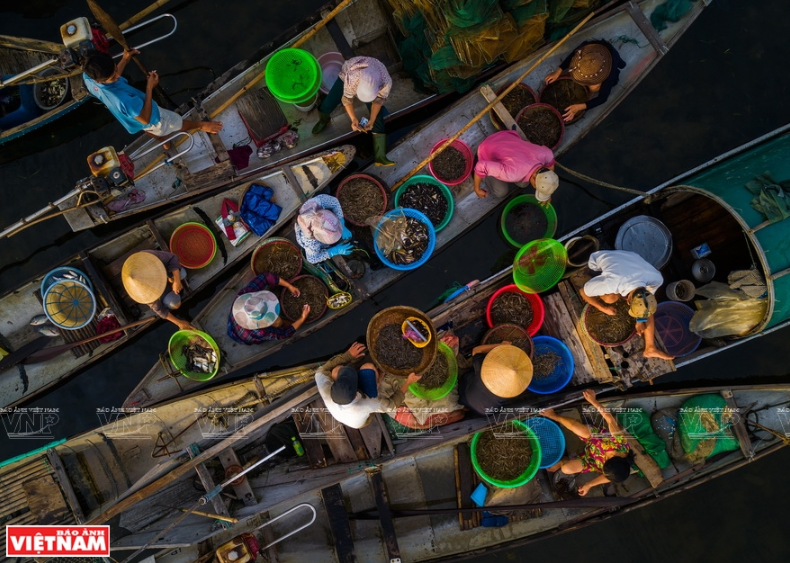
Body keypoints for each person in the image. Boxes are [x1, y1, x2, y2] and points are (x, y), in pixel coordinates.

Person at [83, 50, 223, 140]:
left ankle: (163, 141)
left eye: (115, 69)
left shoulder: (88, 77)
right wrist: (149, 87)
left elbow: (112, 75)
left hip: (132, 122)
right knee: (176, 122)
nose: (118, 75)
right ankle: (200, 125)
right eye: (113, 77)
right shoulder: (122, 99)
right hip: (154, 119)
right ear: (98, 80)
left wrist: (125, 59)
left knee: (147, 129)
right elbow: (144, 118)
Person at [579, 249, 674, 360]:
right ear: (628, 301)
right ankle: (601, 281)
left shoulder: (657, 279)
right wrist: (604, 309)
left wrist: (640, 320)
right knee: (611, 298)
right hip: (598, 261)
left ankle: (650, 348)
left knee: (646, 307)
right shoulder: (611, 284)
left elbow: (645, 301)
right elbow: (582, 292)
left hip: (630, 257)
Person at [543, 389, 635, 496]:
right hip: (595, 438)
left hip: (590, 460)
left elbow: (607, 477)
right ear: (616, 456)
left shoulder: (615, 472)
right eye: (608, 458)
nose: (605, 458)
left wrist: (589, 485)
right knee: (576, 428)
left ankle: (564, 461)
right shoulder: (620, 442)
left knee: (566, 469)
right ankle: (554, 416)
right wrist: (593, 401)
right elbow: (609, 419)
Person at [315, 342, 422, 429]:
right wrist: (408, 381)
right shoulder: (368, 403)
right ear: (356, 395)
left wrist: (348, 356)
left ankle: (369, 379)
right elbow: (391, 405)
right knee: (368, 367)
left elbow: (322, 370)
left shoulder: (325, 390)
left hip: (348, 402)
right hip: (361, 419)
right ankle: (377, 383)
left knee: (335, 371)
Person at [311, 56, 395, 166]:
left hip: (374, 76)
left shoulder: (386, 83)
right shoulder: (352, 76)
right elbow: (347, 99)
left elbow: (378, 102)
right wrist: (353, 119)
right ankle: (324, 120)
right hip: (350, 72)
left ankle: (380, 156)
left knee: (377, 117)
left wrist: (372, 119)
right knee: (328, 103)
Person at [544, 40, 626, 123]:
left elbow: (603, 98)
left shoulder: (609, 75)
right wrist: (558, 71)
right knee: (571, 70)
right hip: (604, 55)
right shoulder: (587, 48)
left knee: (594, 87)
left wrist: (581, 106)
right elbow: (573, 55)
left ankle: (591, 92)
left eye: (585, 81)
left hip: (613, 62)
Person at [473, 130, 558, 205]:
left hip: (506, 136)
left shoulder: (547, 154)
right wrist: (477, 189)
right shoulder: (512, 174)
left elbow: (550, 165)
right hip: (486, 148)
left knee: (523, 184)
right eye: (536, 187)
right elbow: (481, 166)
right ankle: (478, 160)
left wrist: (547, 193)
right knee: (501, 192)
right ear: (534, 178)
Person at [227, 273, 309, 344]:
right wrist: (302, 318)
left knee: (278, 321)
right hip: (245, 337)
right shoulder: (261, 332)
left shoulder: (244, 297)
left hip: (232, 323)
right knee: (279, 322)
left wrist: (289, 286)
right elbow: (284, 333)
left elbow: (265, 277)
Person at [121, 250, 194, 330]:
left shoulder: (149, 257)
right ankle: (169, 283)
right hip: (158, 290)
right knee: (175, 304)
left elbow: (172, 258)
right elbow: (160, 310)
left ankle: (171, 280)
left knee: (182, 274)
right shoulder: (145, 293)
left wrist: (177, 280)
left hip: (164, 269)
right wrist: (179, 322)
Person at [458, 343, 532, 416]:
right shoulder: (515, 388)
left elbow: (476, 350)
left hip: (465, 398)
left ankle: (465, 406)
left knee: (468, 376)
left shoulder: (483, 370)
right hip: (485, 412)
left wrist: (502, 345)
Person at [294, 194, 354, 264]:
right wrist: (334, 251)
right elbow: (312, 259)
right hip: (308, 239)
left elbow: (334, 202)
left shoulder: (317, 203)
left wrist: (342, 223)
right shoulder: (311, 242)